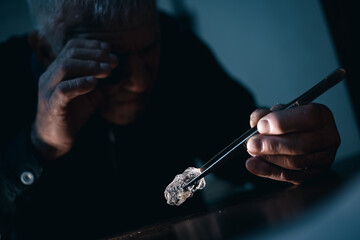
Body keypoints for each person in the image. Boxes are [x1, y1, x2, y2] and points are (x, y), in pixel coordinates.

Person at [0, 0, 340, 239]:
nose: (140, 82)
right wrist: (38, 146)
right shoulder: (5, 78)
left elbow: (243, 151)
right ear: (46, 51)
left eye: (149, 49)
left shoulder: (178, 46)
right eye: (112, 61)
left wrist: (293, 151)